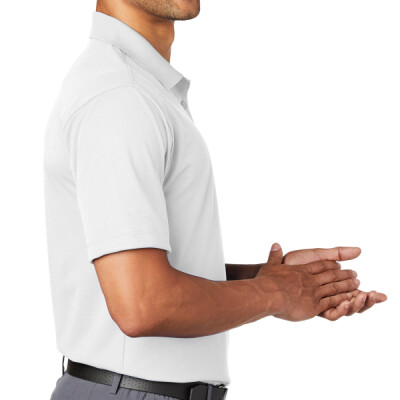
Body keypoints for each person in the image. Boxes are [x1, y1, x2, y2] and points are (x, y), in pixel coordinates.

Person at [43, 1, 387, 399]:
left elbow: (142, 275)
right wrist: (278, 294)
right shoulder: (120, 96)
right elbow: (143, 304)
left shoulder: (138, 87)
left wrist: (270, 278)